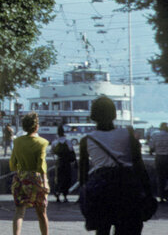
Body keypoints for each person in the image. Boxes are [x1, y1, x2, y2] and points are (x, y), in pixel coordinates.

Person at [79, 95, 150, 235]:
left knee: (102, 229)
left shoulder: (86, 140)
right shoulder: (127, 135)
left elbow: (82, 177)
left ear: (93, 116)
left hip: (100, 191)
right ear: (114, 114)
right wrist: (147, 192)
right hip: (126, 189)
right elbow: (139, 165)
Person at [10, 112, 50, 235]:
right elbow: (41, 165)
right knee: (41, 213)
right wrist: (45, 183)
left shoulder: (17, 142)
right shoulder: (42, 142)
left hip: (21, 177)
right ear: (36, 126)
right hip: (36, 178)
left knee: (19, 212)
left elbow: (12, 163)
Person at [52, 124, 76, 203]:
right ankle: (65, 196)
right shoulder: (68, 142)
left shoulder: (55, 142)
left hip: (59, 162)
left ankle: (57, 195)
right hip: (66, 163)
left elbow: (52, 152)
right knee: (66, 179)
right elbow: (72, 151)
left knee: (58, 179)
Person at [149, 122, 168, 202]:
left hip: (159, 158)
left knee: (160, 177)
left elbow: (152, 147)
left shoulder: (155, 135)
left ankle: (160, 196)